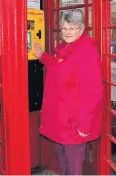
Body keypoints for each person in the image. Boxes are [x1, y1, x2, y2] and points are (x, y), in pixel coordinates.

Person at [33, 9, 103, 175]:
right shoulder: (66, 47)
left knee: (73, 168)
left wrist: (84, 126)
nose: (67, 32)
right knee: (62, 160)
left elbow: (93, 91)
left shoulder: (86, 51)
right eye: (65, 28)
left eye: (72, 28)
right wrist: (43, 56)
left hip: (74, 123)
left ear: (81, 29)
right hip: (60, 120)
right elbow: (60, 67)